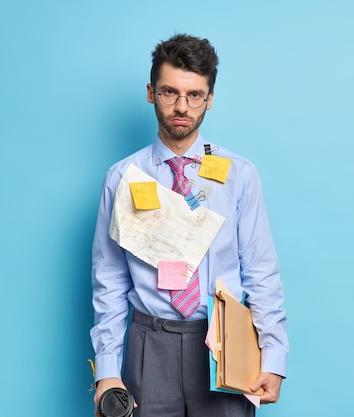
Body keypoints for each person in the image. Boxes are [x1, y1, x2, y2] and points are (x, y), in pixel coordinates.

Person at [90, 34, 288, 417]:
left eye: (195, 94)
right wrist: (108, 371)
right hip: (149, 343)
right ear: (151, 93)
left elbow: (261, 270)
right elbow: (110, 280)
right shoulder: (122, 178)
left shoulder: (239, 176)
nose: (182, 106)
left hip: (223, 345)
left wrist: (274, 355)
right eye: (169, 92)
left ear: (210, 98)